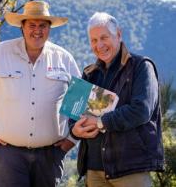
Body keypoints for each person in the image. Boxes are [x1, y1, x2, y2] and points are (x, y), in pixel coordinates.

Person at [0, 1, 81, 187]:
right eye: (32, 25)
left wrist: (70, 141)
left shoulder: (64, 58)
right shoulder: (1, 53)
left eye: (42, 25)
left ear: (49, 29)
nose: (37, 30)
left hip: (50, 157)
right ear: (22, 27)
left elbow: (81, 100)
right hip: (7, 156)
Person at [70, 12, 164, 187]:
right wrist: (75, 130)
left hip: (130, 169)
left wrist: (100, 122)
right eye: (94, 40)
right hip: (94, 170)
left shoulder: (141, 66)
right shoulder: (89, 74)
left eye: (104, 37)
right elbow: (73, 116)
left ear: (118, 34)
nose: (99, 45)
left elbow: (140, 111)